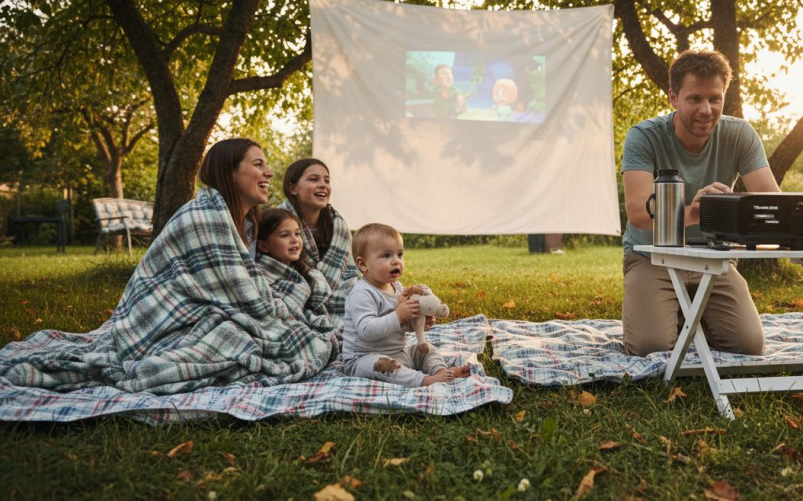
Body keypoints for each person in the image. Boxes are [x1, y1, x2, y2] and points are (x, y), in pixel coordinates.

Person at [1, 138, 339, 394]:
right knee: (235, 337)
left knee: (243, 332)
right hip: (160, 319)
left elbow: (252, 282)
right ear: (230, 173)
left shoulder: (247, 223)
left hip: (204, 310)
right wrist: (284, 313)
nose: (268, 172)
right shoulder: (204, 216)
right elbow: (250, 300)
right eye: (258, 164)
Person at [621, 50, 781, 357]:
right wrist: (693, 214)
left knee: (748, 346)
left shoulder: (740, 134)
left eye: (715, 99)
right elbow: (638, 213)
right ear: (674, 98)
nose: (706, 109)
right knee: (650, 347)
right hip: (652, 256)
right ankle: (670, 313)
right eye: (694, 98)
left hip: (713, 256)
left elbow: (771, 203)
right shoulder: (644, 136)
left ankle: (683, 316)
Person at [341, 223, 471, 387]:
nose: (396, 261)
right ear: (363, 264)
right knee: (383, 365)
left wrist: (417, 323)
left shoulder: (398, 288)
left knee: (425, 350)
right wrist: (399, 315)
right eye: (386, 255)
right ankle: (424, 381)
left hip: (399, 353)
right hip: (364, 359)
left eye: (399, 254)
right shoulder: (362, 294)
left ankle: (441, 372)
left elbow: (401, 326)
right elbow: (366, 330)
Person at [280, 159, 359, 326]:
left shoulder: (338, 226)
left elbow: (349, 274)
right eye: (314, 179)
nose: (323, 185)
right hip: (292, 299)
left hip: (338, 303)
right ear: (293, 188)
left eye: (327, 180)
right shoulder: (276, 222)